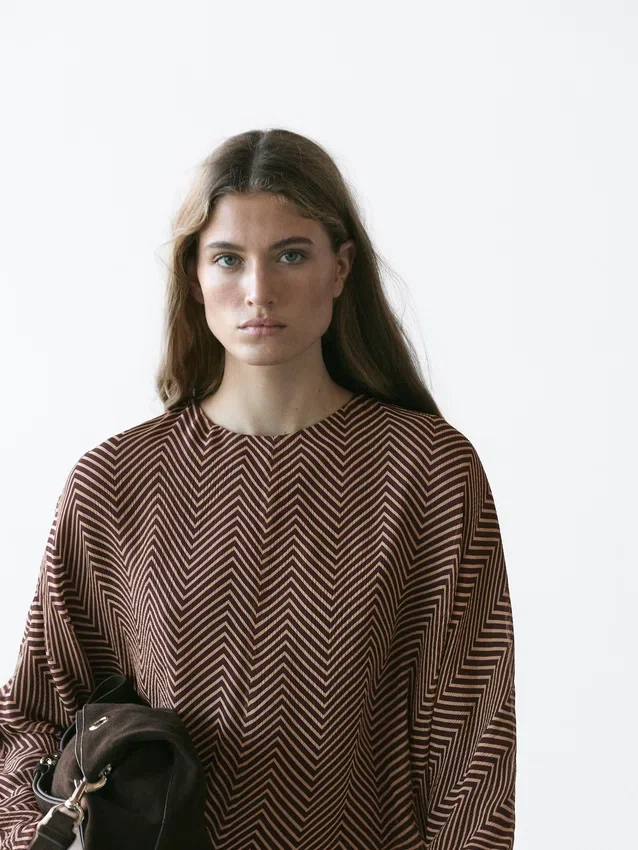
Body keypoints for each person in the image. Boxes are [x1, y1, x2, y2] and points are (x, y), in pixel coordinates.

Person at [0, 128, 516, 849]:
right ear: (194, 277)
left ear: (341, 268)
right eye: (228, 258)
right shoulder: (114, 482)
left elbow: (471, 745)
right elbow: (32, 717)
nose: (259, 291)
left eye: (291, 254)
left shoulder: (426, 472)